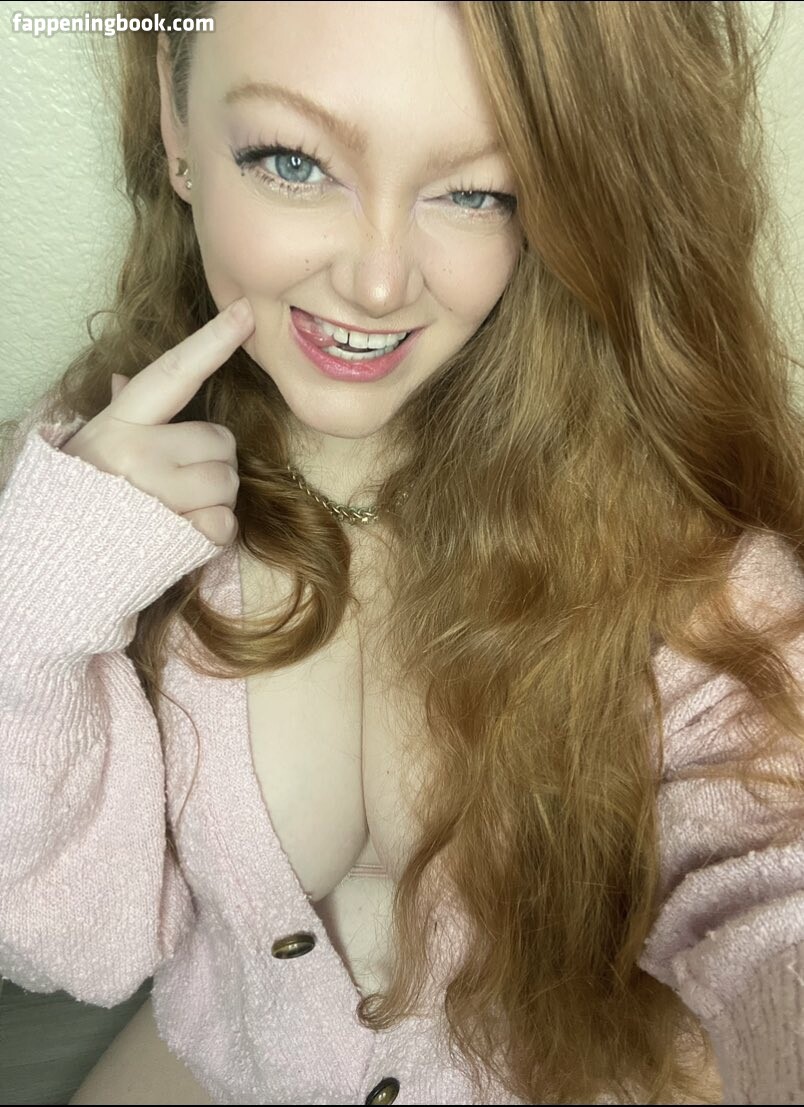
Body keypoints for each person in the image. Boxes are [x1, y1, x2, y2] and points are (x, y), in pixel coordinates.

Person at [1, 1, 803, 1103]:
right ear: (178, 128)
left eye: (478, 190)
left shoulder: (666, 531)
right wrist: (34, 621)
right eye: (293, 161)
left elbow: (772, 888)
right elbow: (75, 947)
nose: (380, 284)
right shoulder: (89, 491)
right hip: (226, 1059)